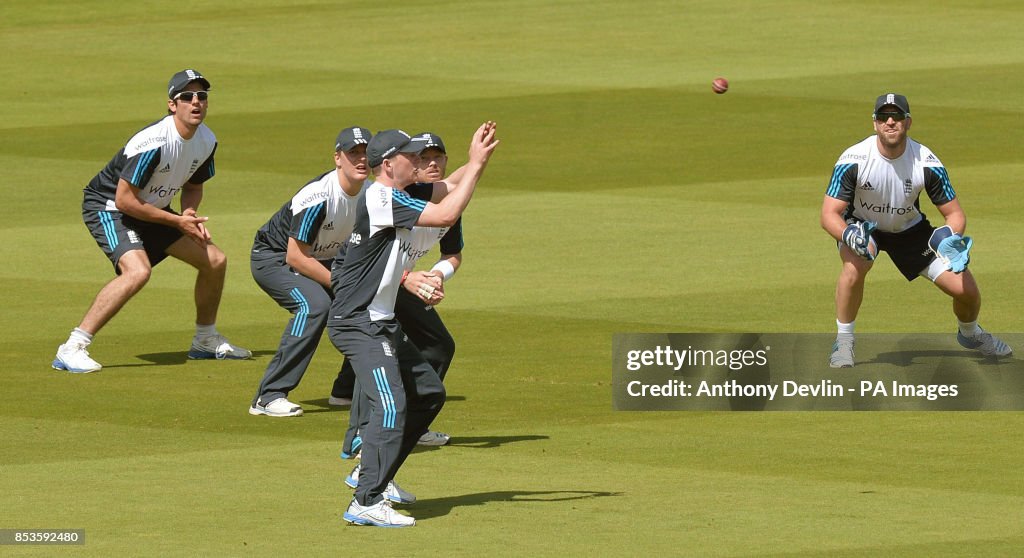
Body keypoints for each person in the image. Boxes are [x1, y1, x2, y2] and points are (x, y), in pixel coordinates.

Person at [328, 123, 498, 527]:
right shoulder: (381, 196)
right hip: (358, 323)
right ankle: (365, 500)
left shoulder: (399, 194)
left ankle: (375, 477)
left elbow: (450, 186)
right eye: (411, 157)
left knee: (428, 393)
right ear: (389, 165)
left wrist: (478, 163)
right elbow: (448, 210)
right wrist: (475, 163)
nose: (419, 162)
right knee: (391, 406)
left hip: (381, 320)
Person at [52, 69, 250, 373]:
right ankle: (72, 347)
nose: (196, 102)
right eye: (187, 96)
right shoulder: (154, 142)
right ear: (173, 104)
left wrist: (187, 214)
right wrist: (175, 222)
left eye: (202, 96)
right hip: (109, 208)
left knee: (215, 261)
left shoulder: (207, 141)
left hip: (152, 208)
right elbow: (124, 200)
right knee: (137, 272)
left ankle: (205, 340)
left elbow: (194, 185)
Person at [821, 93, 1012, 368]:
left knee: (966, 290)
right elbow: (829, 214)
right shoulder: (854, 159)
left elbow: (954, 214)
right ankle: (844, 342)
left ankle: (970, 334)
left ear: (908, 122)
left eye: (897, 116)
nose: (890, 122)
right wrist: (849, 234)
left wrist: (949, 237)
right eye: (883, 117)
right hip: (864, 226)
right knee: (854, 267)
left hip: (910, 230)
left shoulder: (927, 161)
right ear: (874, 123)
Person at [334, 132, 463, 452]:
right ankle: (364, 432)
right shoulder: (401, 195)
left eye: (439, 157)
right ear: (409, 164)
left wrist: (436, 276)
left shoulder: (446, 198)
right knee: (378, 350)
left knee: (437, 344)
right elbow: (377, 257)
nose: (431, 163)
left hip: (402, 280)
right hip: (364, 281)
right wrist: (409, 278)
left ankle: (410, 422)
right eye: (423, 157)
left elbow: (453, 253)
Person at [248, 127, 372, 417]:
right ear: (337, 158)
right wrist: (341, 286)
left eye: (366, 153)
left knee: (369, 303)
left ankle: (344, 391)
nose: (361, 159)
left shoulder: (371, 195)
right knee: (315, 306)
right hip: (275, 257)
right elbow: (296, 255)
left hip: (325, 258)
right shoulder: (319, 196)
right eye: (354, 153)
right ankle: (268, 396)